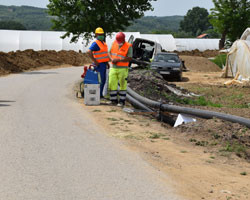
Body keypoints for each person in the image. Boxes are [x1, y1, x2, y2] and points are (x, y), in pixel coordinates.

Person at [109, 32, 133, 107]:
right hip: (113, 67)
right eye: (118, 41)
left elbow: (129, 58)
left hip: (123, 68)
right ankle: (113, 100)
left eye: (120, 41)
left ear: (124, 39)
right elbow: (109, 53)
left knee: (123, 84)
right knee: (111, 83)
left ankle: (122, 101)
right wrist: (112, 59)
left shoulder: (128, 46)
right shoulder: (114, 43)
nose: (119, 43)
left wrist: (119, 60)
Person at [88, 27, 110, 98]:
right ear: (96, 35)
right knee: (100, 80)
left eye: (102, 34)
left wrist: (107, 62)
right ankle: (98, 95)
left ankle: (100, 95)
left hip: (103, 64)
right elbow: (89, 51)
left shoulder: (103, 43)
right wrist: (95, 61)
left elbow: (104, 54)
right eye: (100, 34)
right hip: (99, 65)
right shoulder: (96, 43)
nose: (101, 35)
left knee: (103, 80)